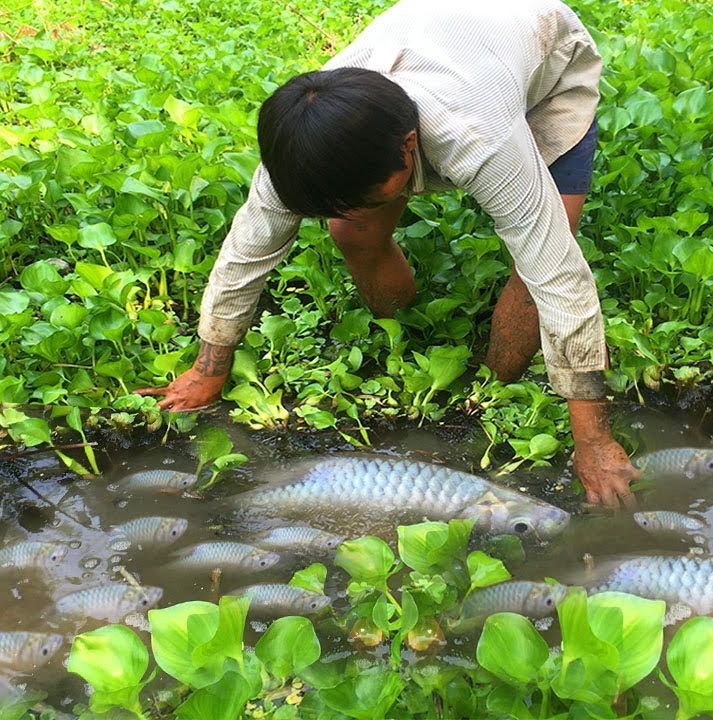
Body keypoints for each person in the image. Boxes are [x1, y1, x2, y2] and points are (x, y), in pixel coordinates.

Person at [136, 0, 639, 508]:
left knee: (534, 264)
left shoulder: (478, 139)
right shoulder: (302, 147)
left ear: (408, 146)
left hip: (544, 59)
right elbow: (244, 258)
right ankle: (400, 339)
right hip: (441, 43)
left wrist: (592, 440)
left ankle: (488, 392)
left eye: (365, 193)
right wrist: (209, 367)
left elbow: (556, 277)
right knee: (352, 232)